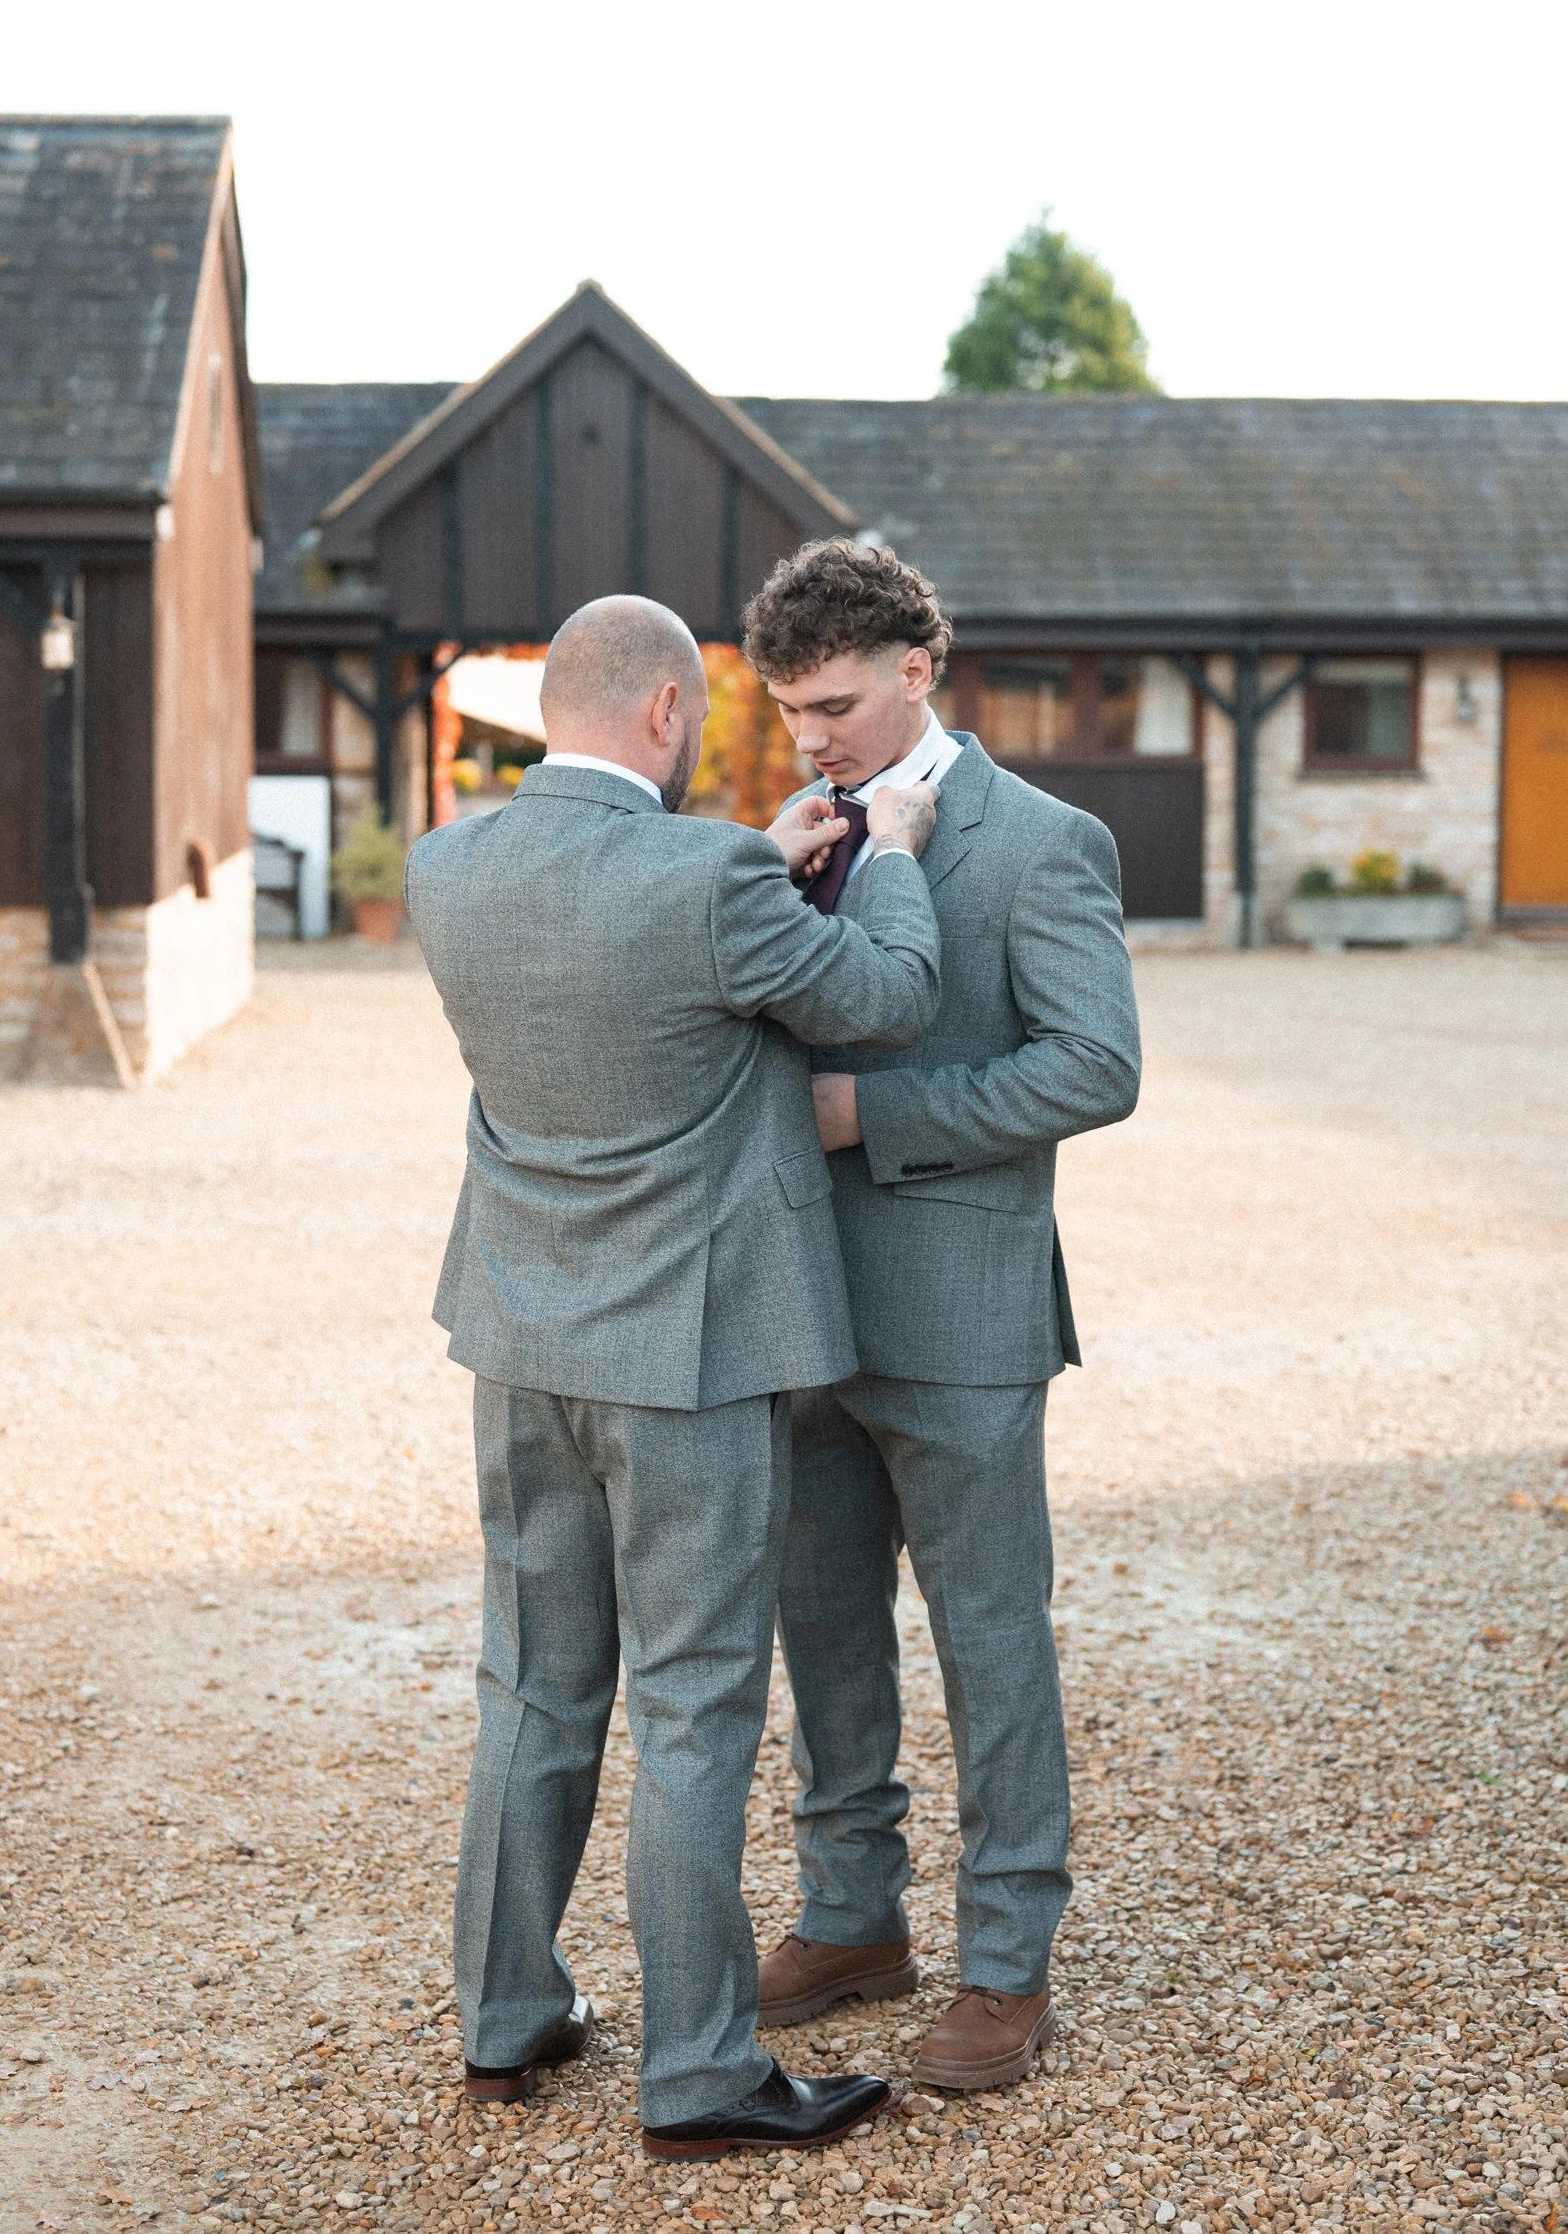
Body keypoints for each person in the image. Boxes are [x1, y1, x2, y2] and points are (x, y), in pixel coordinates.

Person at [404, 593, 943, 2160]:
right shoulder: (708, 877)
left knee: (533, 1685)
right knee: (697, 1707)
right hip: (690, 1356)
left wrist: (750, 869)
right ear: (659, 713)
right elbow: (887, 1002)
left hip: (521, 1339)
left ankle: (507, 2022)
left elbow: (610, 963)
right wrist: (886, 856)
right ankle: (700, 2074)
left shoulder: (449, 867)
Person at [741, 540, 1142, 2092]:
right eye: (787, 711)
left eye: (832, 703)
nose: (810, 739)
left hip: (965, 1314)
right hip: (793, 1310)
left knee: (989, 1646)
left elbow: (1092, 1068)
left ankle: (1003, 1968)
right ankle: (851, 1921)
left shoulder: (1045, 843)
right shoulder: (785, 833)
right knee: (823, 1633)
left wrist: (870, 1120)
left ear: (917, 667)